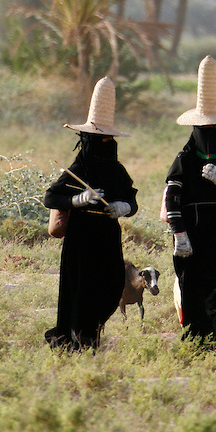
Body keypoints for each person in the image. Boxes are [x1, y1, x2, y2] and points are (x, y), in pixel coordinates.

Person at [43, 77, 138, 352]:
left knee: (110, 289)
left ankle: (88, 335)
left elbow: (131, 198)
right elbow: (51, 196)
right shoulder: (78, 169)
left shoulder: (116, 170)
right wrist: (77, 199)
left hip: (108, 237)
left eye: (108, 139)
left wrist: (124, 208)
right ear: (87, 140)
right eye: (99, 139)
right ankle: (79, 342)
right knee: (81, 292)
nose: (105, 143)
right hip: (81, 240)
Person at [164, 56, 216, 350]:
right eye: (203, 130)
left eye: (213, 130)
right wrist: (179, 233)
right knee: (190, 285)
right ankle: (194, 340)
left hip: (215, 231)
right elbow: (172, 195)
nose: (208, 137)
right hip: (188, 231)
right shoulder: (183, 159)